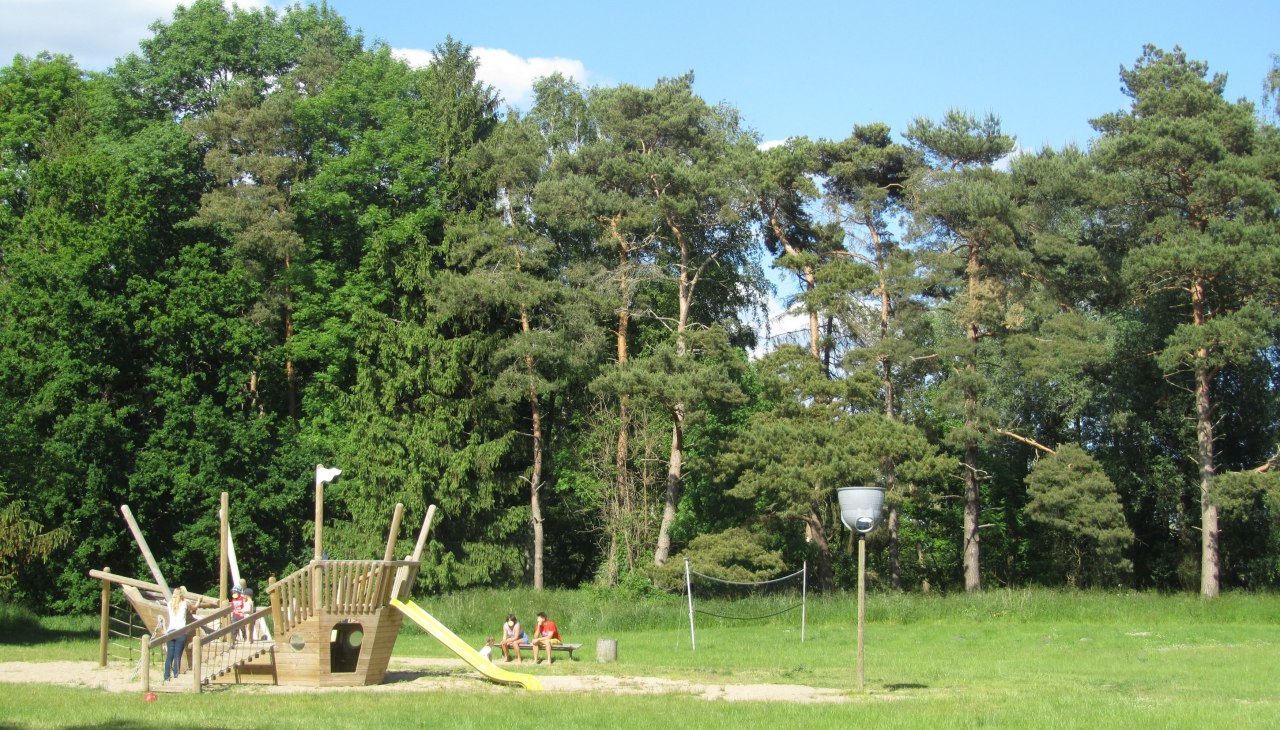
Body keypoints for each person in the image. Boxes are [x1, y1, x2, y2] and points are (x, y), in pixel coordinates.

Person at [163, 587, 194, 682]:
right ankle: (176, 675)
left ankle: (166, 677)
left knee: (169, 656)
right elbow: (194, 608)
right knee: (177, 655)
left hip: (171, 631)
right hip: (180, 631)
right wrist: (199, 601)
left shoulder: (169, 604)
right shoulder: (184, 604)